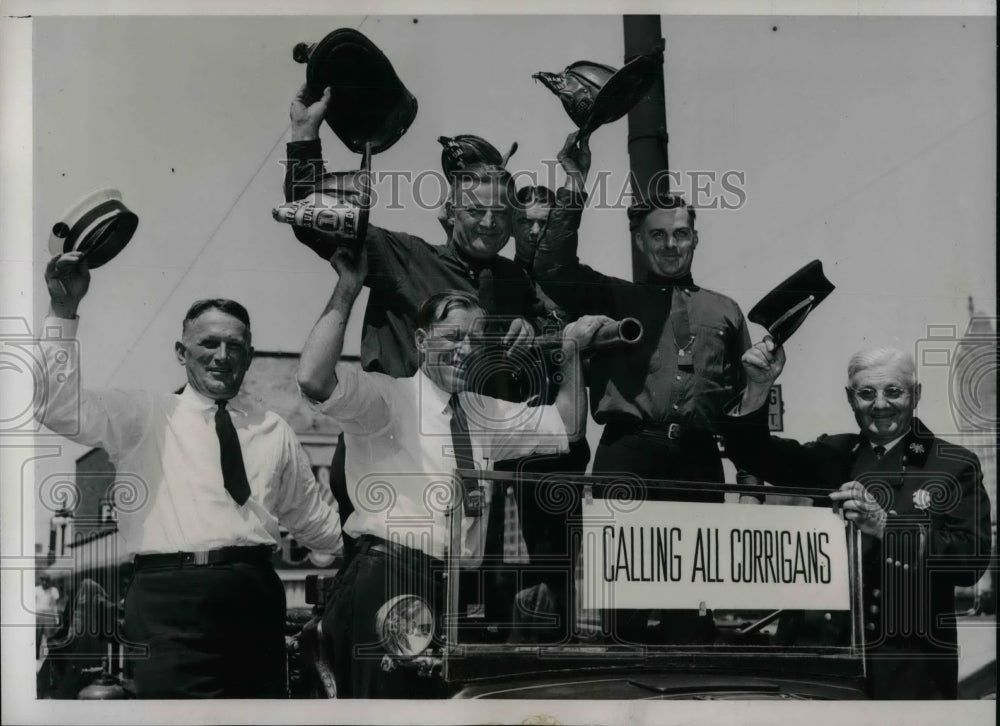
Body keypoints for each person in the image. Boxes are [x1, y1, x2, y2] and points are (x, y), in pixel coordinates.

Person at [284, 84, 585, 564]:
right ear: (446, 215)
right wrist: (304, 135)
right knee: (380, 579)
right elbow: (316, 218)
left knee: (465, 594)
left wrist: (537, 339)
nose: (490, 222)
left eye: (501, 212)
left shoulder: (514, 281)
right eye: (475, 210)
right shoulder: (403, 255)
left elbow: (557, 339)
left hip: (471, 460)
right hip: (388, 447)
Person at [296, 242, 610, 697]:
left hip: (454, 591)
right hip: (388, 579)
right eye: (453, 338)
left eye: (476, 341)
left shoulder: (484, 412)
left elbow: (569, 426)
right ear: (421, 342)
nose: (466, 351)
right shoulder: (387, 398)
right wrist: (347, 288)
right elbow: (312, 379)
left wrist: (571, 351)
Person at [36, 252, 343, 698]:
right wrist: (63, 310)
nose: (222, 356)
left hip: (254, 600)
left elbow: (316, 524)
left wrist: (385, 545)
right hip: (168, 604)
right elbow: (55, 407)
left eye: (235, 346)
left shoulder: (273, 430)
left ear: (249, 355)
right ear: (182, 352)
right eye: (209, 344)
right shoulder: (145, 415)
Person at [724, 339, 993, 699]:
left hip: (904, 670)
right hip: (818, 661)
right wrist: (758, 385)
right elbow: (752, 453)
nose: (880, 405)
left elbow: (970, 560)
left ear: (916, 394)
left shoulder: (952, 463)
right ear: (850, 399)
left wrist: (887, 525)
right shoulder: (834, 453)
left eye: (893, 391)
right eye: (866, 393)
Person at [524, 134, 752, 498]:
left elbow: (745, 405)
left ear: (695, 239)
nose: (671, 245)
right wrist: (575, 183)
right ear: (641, 242)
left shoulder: (726, 311)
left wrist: (750, 483)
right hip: (627, 455)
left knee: (700, 556)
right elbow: (552, 268)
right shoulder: (615, 297)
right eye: (658, 235)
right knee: (618, 556)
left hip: (701, 461)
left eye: (681, 234)